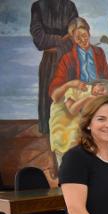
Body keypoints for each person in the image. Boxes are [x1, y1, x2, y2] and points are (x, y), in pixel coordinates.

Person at [30, 0, 78, 134]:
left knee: (69, 97)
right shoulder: (38, 6)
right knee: (49, 101)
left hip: (68, 60)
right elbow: (39, 40)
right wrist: (62, 40)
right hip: (49, 61)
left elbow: (75, 35)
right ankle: (49, 132)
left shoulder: (70, 6)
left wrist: (56, 41)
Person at [49, 79, 108, 166]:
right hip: (62, 131)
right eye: (102, 89)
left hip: (77, 135)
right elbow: (72, 110)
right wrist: (88, 98)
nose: (100, 94)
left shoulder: (97, 101)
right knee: (65, 162)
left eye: (104, 96)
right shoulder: (78, 88)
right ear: (97, 84)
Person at [48, 17, 108, 99]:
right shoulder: (67, 58)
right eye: (78, 38)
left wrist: (102, 88)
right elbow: (54, 91)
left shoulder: (99, 52)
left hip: (98, 97)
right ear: (73, 39)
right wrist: (70, 84)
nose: (82, 40)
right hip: (78, 100)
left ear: (89, 33)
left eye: (84, 35)